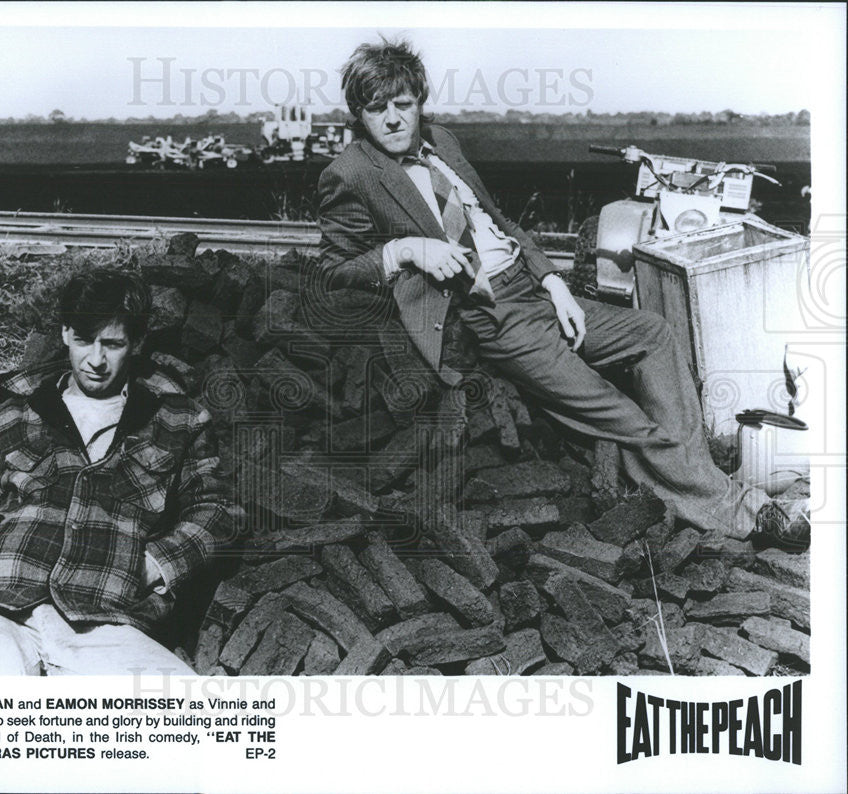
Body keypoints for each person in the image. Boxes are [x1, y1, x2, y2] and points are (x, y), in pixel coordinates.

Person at [316, 37, 797, 542]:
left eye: (403, 104)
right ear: (358, 114)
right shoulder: (349, 174)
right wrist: (408, 250)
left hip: (536, 291)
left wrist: (554, 282)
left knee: (654, 333)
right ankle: (739, 512)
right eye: (376, 109)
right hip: (494, 315)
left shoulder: (444, 142)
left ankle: (684, 479)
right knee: (615, 410)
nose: (392, 119)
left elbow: (497, 220)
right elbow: (333, 271)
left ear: (419, 104)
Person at [0, 268, 241, 675]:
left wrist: (155, 564)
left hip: (107, 617)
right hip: (0, 605)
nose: (95, 360)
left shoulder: (179, 420)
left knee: (184, 712)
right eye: (83, 340)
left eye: (112, 344)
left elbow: (219, 511)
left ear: (136, 342)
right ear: (64, 333)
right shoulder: (13, 412)